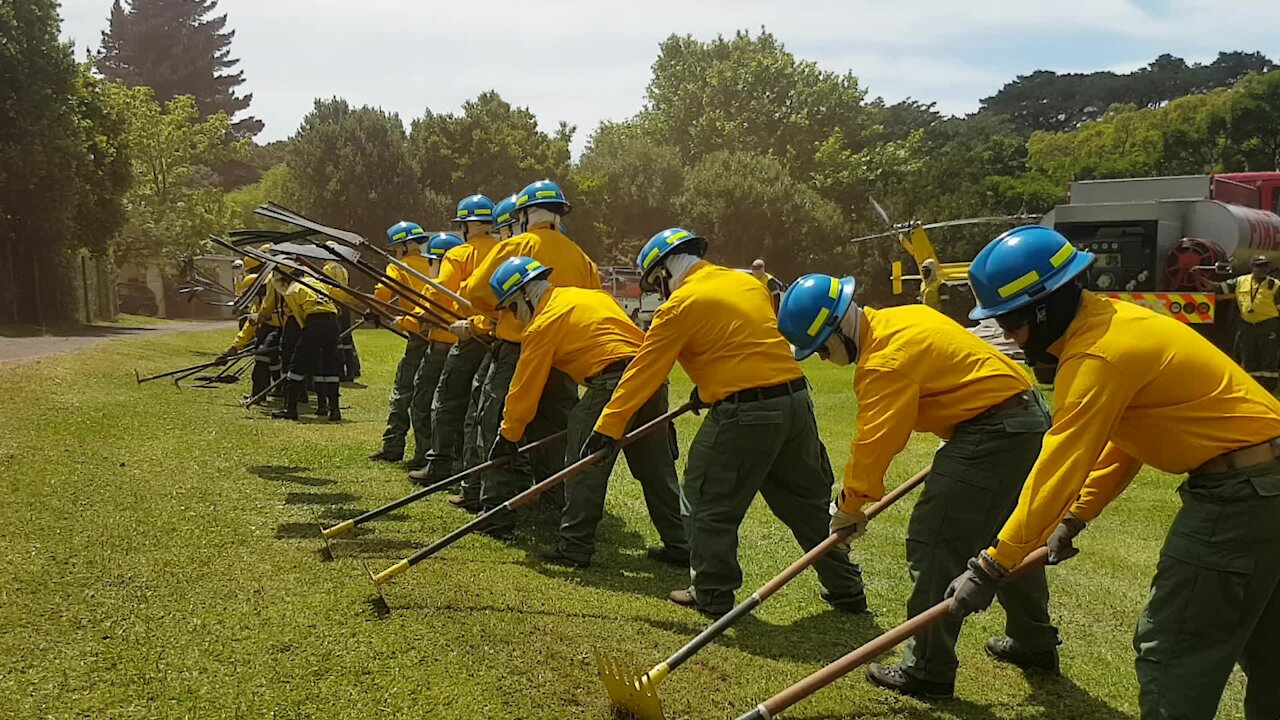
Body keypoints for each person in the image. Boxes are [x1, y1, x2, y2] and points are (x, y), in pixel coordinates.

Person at [949, 225, 1280, 720]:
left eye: (1012, 323)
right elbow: (1128, 444)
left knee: (1172, 652)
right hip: (1266, 485)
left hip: (1241, 497)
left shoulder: (1096, 354)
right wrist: (1076, 518)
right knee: (1270, 647)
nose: (1013, 338)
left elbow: (1059, 465)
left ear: (1044, 307)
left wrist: (993, 563)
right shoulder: (1115, 322)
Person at [777, 273, 1058, 700]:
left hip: (994, 429)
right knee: (1011, 536)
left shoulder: (884, 360)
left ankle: (927, 668)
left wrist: (849, 507)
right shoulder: (901, 317)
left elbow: (875, 442)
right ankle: (1034, 643)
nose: (823, 359)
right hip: (1022, 416)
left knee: (934, 542)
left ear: (836, 332)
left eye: (821, 350)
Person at [586, 228, 865, 617]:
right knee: (806, 506)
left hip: (746, 413)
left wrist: (608, 427)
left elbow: (645, 371)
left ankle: (713, 593)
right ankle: (847, 589)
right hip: (795, 401)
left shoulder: (680, 305)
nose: (658, 291)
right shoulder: (746, 283)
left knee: (705, 501)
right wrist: (710, 388)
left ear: (665, 272)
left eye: (655, 283)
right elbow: (744, 340)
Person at [486, 255, 688, 567]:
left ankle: (575, 546)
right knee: (656, 468)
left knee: (583, 466)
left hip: (609, 383)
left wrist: (508, 435)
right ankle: (681, 544)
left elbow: (524, 389)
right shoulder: (590, 296)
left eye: (513, 307)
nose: (516, 317)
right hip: (648, 377)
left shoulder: (543, 323)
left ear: (525, 294)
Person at [465, 180, 600, 535]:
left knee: (499, 424)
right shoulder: (580, 256)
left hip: (517, 349)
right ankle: (554, 503)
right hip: (563, 356)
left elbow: (475, 290)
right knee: (558, 430)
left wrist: (502, 313)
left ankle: (496, 511)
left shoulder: (515, 246)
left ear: (523, 214)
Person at [409, 194, 500, 495]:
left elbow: (439, 291)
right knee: (478, 406)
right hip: (496, 335)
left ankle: (439, 464)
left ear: (468, 225)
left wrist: (422, 317)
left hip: (468, 334)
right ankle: (467, 465)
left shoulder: (458, 255)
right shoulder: (504, 249)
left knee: (447, 399)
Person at [395, 232, 463, 472]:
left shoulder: (436, 287)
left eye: (432, 260)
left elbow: (420, 317)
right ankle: (454, 456)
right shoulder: (463, 286)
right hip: (461, 348)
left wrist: (402, 321)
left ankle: (426, 454)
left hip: (439, 350)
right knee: (456, 405)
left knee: (423, 402)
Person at [368, 221, 435, 463]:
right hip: (441, 336)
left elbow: (382, 294)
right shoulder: (434, 262)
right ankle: (429, 450)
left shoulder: (398, 266)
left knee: (404, 390)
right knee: (430, 394)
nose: (395, 252)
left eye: (397, 247)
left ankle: (393, 445)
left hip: (418, 334)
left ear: (405, 246)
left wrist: (372, 309)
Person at [271, 268, 342, 421]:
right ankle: (335, 410)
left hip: (314, 322)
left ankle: (290, 410)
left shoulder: (291, 291)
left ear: (285, 281)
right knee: (330, 365)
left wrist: (307, 335)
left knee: (297, 366)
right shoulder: (317, 283)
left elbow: (299, 317)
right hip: (333, 322)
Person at [1223, 255, 1280, 391]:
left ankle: (1269, 390)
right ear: (1251, 268)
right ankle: (1251, 388)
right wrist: (1199, 278)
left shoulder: (1275, 285)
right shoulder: (1240, 281)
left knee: (1269, 359)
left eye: (1265, 266)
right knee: (1248, 358)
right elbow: (1219, 288)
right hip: (1247, 325)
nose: (1262, 269)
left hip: (1268, 325)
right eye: (1259, 266)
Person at [322, 251, 361, 382]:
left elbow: (328, 289)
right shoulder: (343, 269)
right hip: (346, 304)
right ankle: (351, 371)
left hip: (335, 305)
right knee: (347, 340)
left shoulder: (327, 269)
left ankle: (339, 372)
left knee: (336, 340)